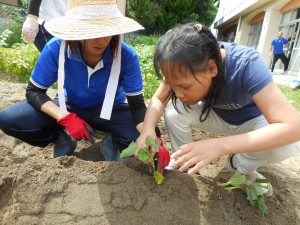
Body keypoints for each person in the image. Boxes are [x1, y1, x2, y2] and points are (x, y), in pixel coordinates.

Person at [136, 22, 300, 196]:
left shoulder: (247, 64)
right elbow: (159, 98)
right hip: (219, 117)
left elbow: (293, 127)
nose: (179, 94)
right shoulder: (182, 63)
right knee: (173, 111)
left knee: (289, 144)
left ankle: (240, 165)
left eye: (184, 86)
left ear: (212, 68)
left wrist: (221, 146)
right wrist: (147, 129)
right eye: (173, 86)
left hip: (252, 124)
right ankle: (186, 166)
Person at [0, 0, 170, 165]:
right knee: (9, 119)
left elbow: (137, 105)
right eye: (93, 31)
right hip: (70, 105)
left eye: (107, 30)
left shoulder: (125, 55)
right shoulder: (57, 48)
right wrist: (64, 117)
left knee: (151, 134)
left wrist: (152, 139)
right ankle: (61, 139)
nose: (102, 40)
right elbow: (34, 91)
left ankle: (112, 143)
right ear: (76, 30)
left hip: (111, 110)